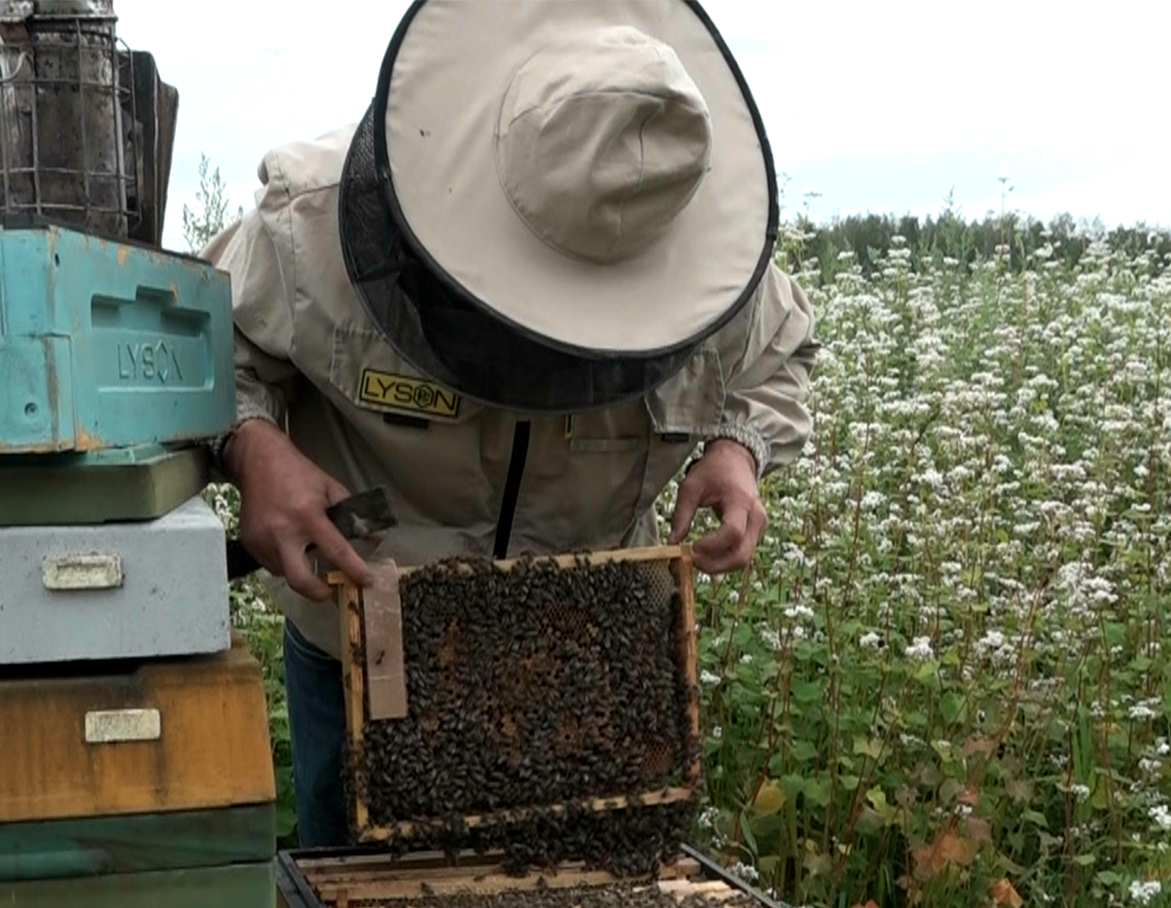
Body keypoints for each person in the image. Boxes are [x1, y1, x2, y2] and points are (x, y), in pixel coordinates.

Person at [203, 0, 818, 849]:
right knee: (351, 907)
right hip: (367, 650)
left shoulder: (709, 266)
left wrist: (738, 448)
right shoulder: (305, 225)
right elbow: (191, 344)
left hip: (589, 662)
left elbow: (779, 355)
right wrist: (252, 445)